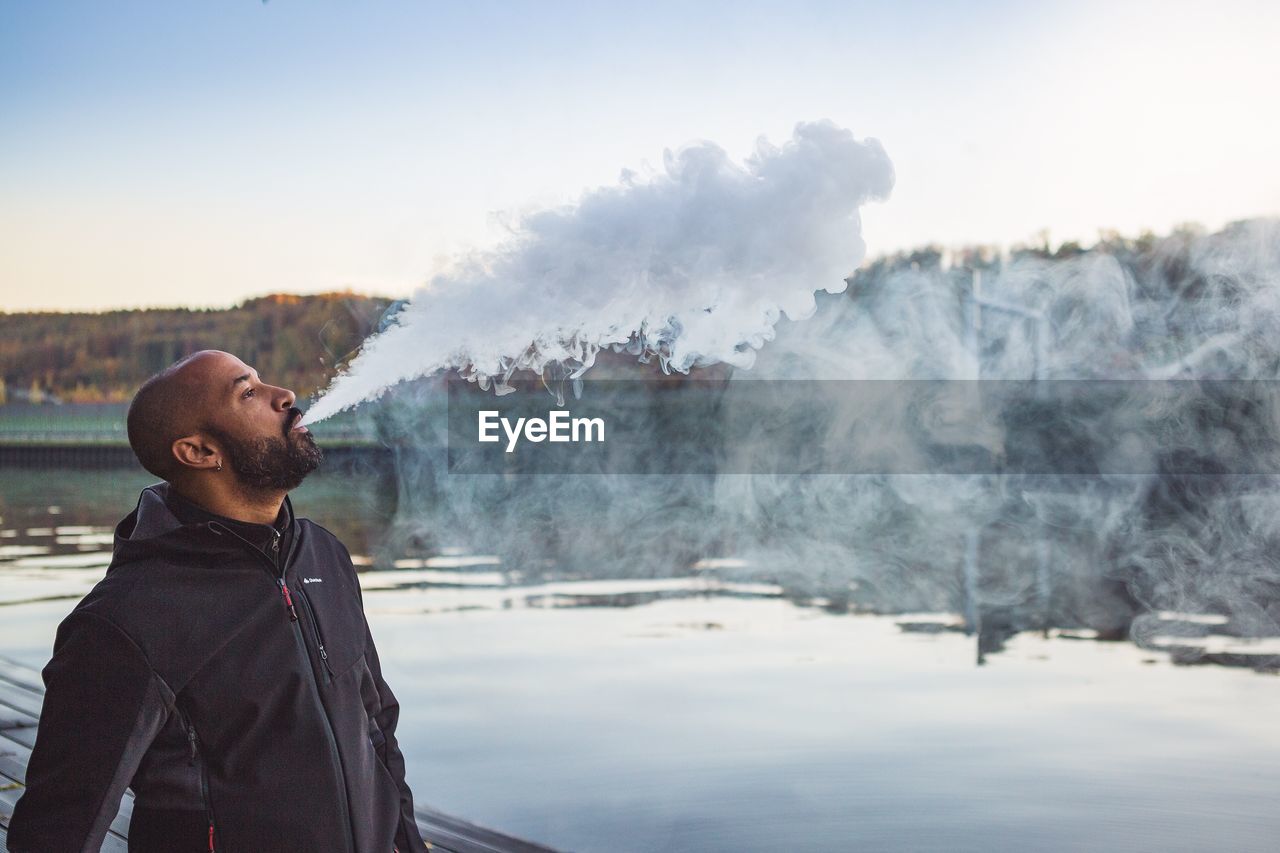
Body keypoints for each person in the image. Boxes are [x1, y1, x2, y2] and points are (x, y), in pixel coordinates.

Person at [8, 350, 425, 853]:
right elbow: (56, 830)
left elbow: (376, 725)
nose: (284, 396)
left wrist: (408, 840)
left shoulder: (325, 555)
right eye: (247, 393)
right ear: (200, 452)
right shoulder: (125, 620)